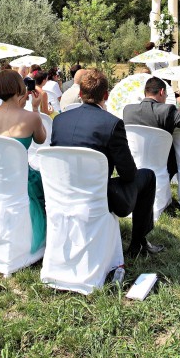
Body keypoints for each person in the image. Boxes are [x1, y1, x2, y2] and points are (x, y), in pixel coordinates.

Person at [51, 69, 161, 259]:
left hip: (63, 190)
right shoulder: (111, 123)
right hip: (96, 194)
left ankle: (139, 242)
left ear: (80, 94)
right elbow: (128, 174)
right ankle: (138, 243)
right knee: (148, 176)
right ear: (106, 95)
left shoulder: (59, 121)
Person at [0, 69, 47, 253]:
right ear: (20, 87)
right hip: (21, 180)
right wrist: (35, 108)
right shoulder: (31, 117)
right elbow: (41, 139)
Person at [123, 76, 180, 176]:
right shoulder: (167, 110)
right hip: (162, 165)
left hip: (135, 163)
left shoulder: (128, 110)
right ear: (162, 92)